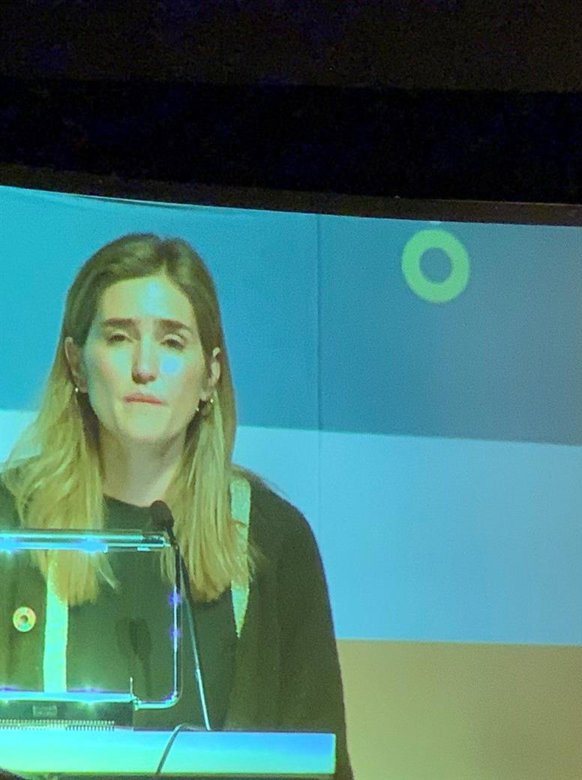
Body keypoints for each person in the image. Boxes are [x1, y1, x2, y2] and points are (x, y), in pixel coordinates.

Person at [0, 234, 352, 779]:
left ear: (210, 375)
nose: (145, 367)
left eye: (171, 342)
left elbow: (320, 764)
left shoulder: (272, 537)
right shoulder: (11, 520)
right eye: (119, 337)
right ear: (76, 363)